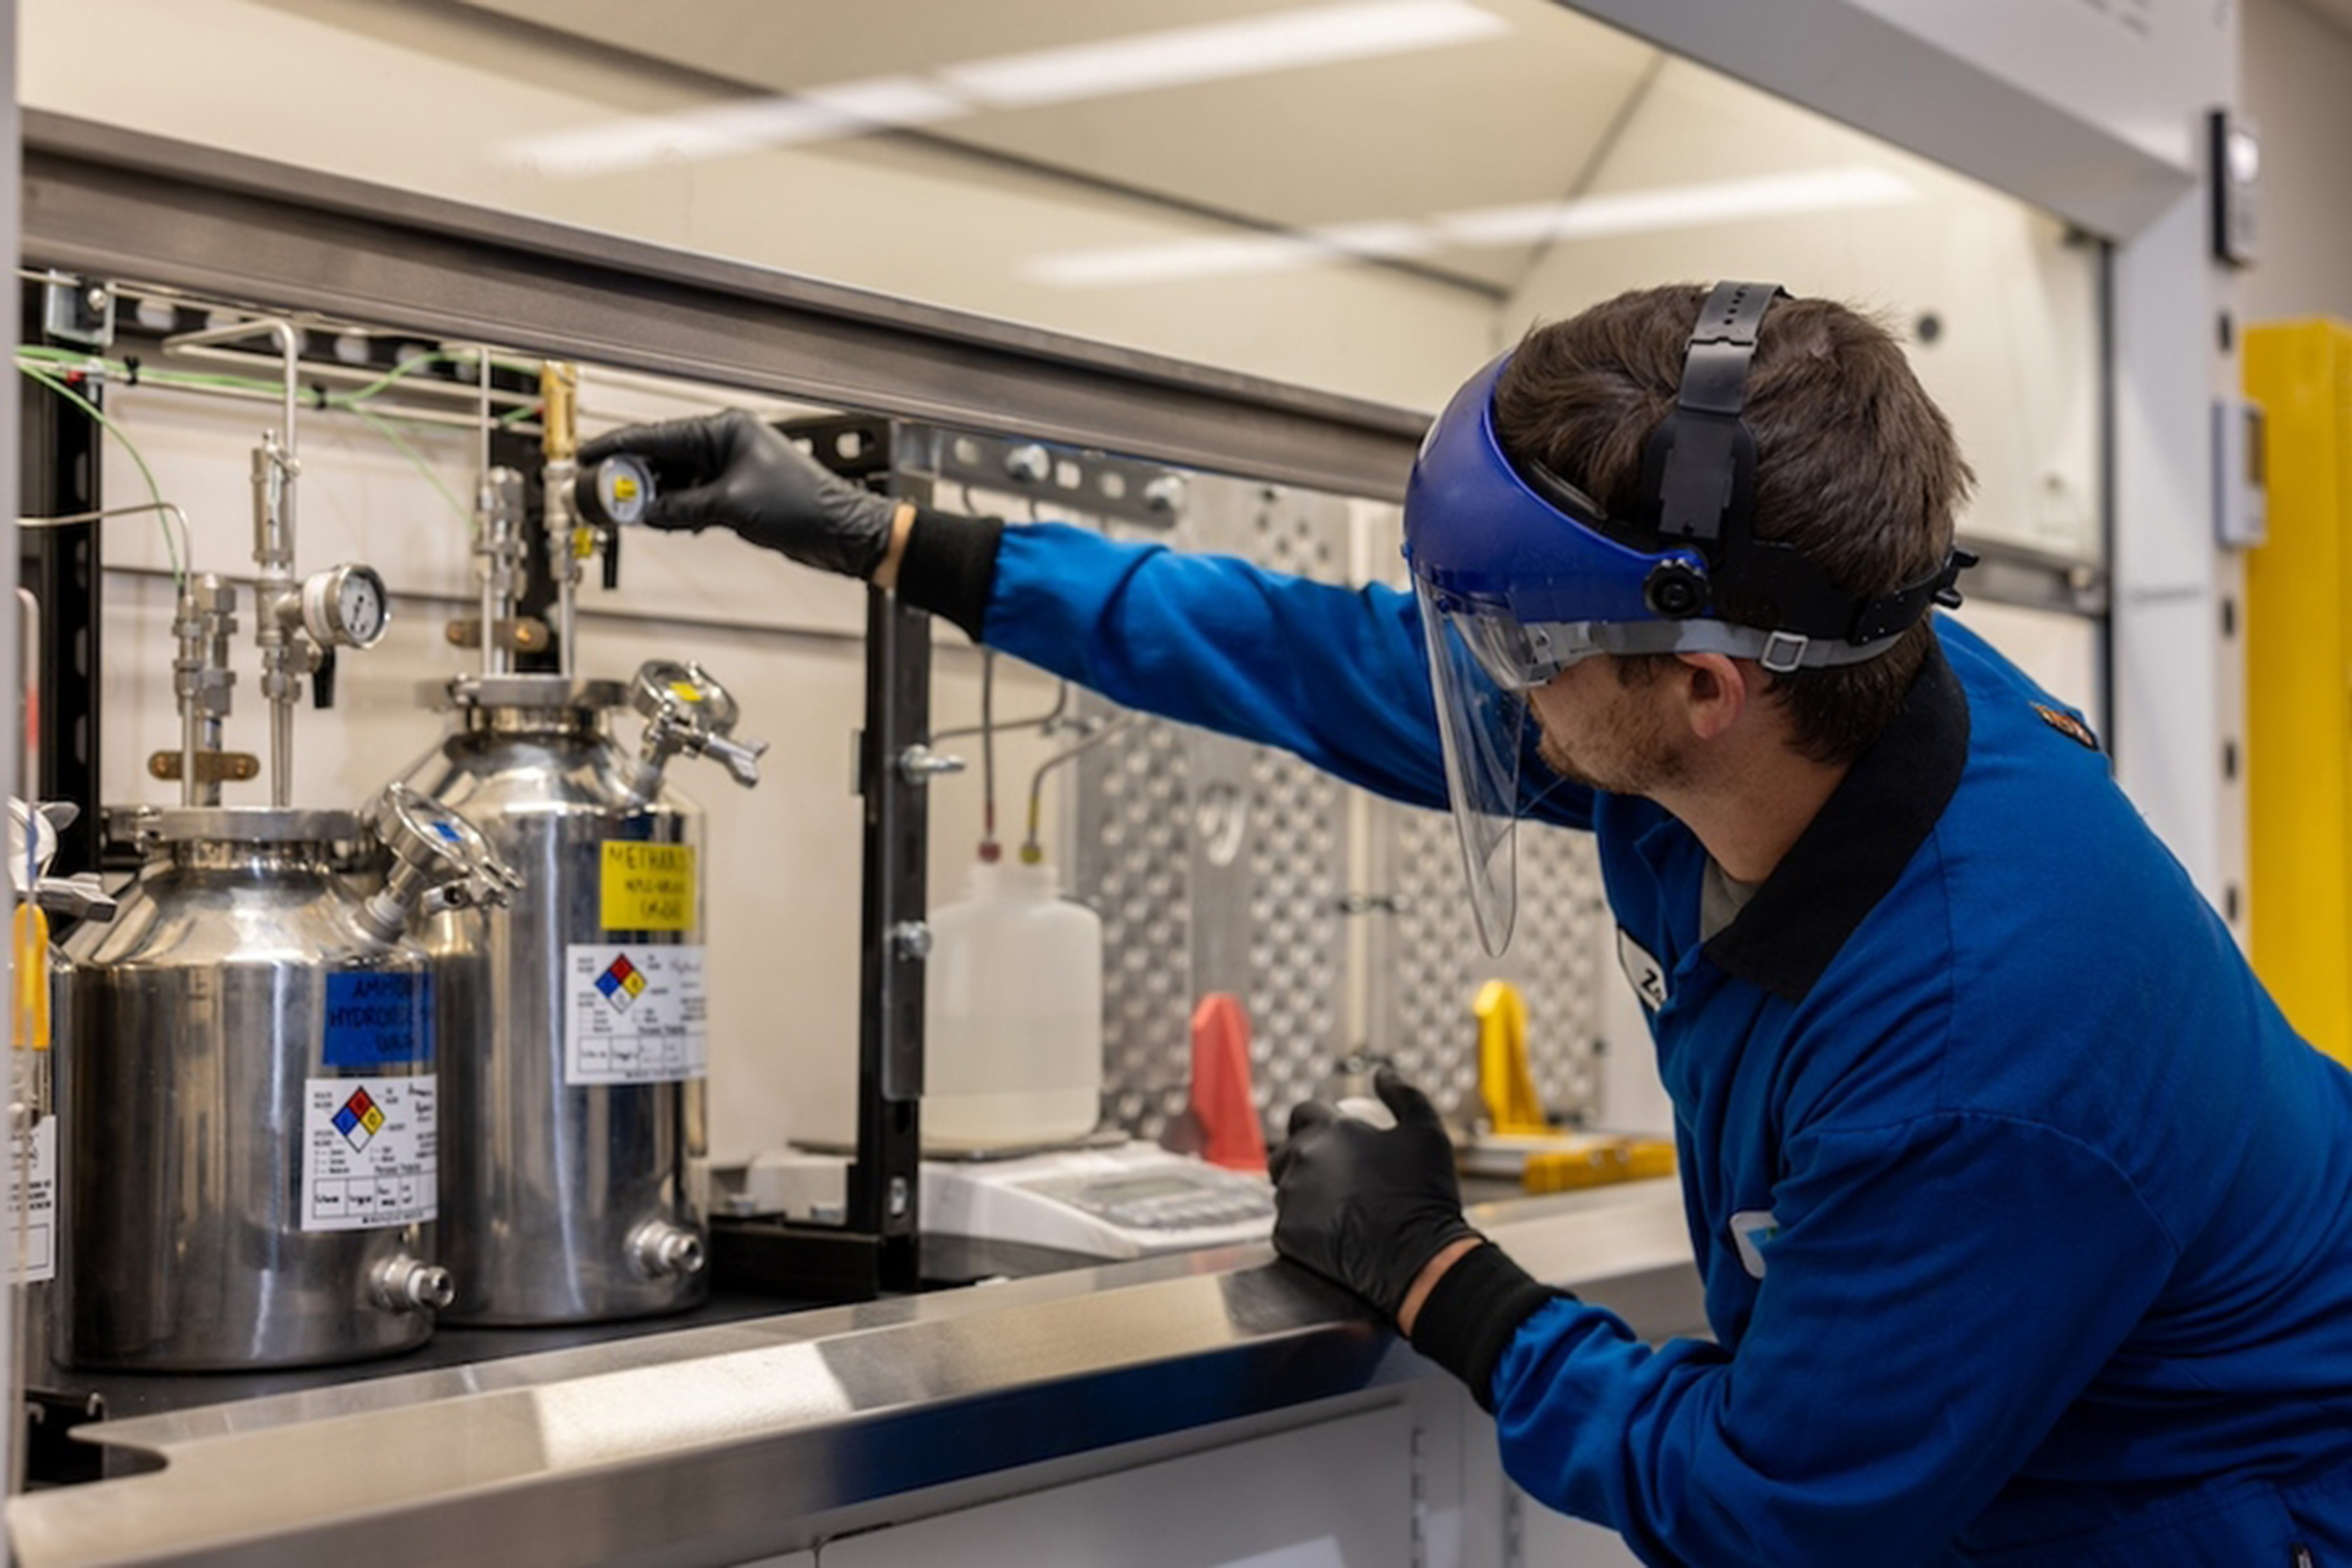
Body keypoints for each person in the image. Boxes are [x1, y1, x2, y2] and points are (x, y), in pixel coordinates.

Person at [584, 282, 2352, 1565]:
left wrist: (1440, 1273)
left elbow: (1771, 1506)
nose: (1480, 683)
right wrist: (898, 542)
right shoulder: (1827, 693)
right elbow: (1319, 656)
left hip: (2210, 1515)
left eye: (1514, 641)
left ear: (1708, 684)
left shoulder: (1979, 1050)